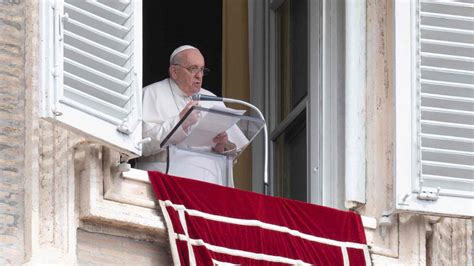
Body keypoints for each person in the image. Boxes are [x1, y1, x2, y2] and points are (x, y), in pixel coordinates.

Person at [136, 45, 240, 186]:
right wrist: (180, 122)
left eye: (202, 70)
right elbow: (141, 145)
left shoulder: (211, 99)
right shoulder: (150, 94)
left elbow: (233, 152)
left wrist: (223, 144)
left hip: (210, 183)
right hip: (166, 183)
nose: (199, 75)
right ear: (174, 71)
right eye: (193, 69)